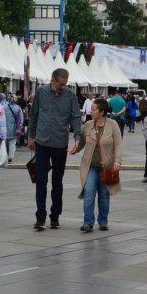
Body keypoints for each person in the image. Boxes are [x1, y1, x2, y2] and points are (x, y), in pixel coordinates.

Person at [28, 68, 83, 231]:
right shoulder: (41, 92)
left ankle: (55, 216)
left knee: (57, 181)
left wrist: (78, 138)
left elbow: (76, 116)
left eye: (65, 84)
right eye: (61, 84)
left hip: (60, 144)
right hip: (42, 142)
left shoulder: (70, 95)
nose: (63, 87)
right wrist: (31, 136)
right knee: (41, 181)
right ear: (52, 81)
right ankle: (40, 217)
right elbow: (33, 115)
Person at [71, 98, 123, 233]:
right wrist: (75, 149)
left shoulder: (113, 125)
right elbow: (82, 142)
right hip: (90, 167)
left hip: (107, 166)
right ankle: (88, 222)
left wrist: (118, 160)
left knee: (104, 195)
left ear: (102, 112)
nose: (91, 111)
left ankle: (103, 221)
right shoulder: (88, 125)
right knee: (89, 193)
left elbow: (118, 144)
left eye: (94, 109)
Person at [3, 92, 23, 163]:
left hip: (4, 129)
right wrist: (20, 127)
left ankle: (4, 157)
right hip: (14, 129)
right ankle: (10, 158)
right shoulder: (18, 108)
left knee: (4, 144)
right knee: (12, 144)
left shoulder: (4, 107)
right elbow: (21, 119)